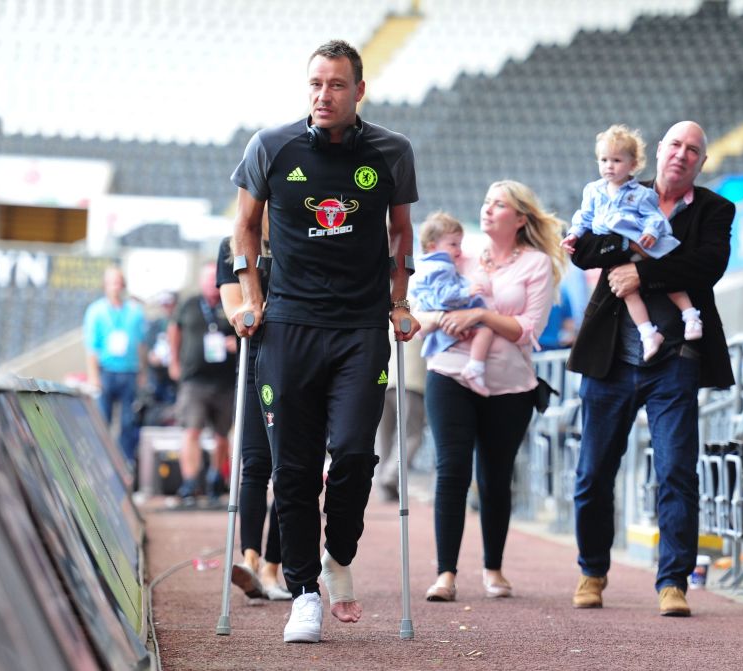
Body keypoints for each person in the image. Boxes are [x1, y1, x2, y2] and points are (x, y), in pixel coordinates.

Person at [228, 39, 419, 644]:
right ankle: (305, 592)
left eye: (336, 84)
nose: (323, 94)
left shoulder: (391, 151)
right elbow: (244, 225)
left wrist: (400, 300)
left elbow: (401, 232)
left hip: (361, 328)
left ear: (358, 91)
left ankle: (339, 554)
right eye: (315, 83)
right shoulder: (270, 146)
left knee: (356, 452)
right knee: (293, 467)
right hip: (287, 327)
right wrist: (251, 296)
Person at [566, 121, 735, 617]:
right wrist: (631, 250)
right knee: (593, 471)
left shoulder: (714, 209)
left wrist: (640, 268)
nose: (682, 155)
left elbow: (708, 265)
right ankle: (592, 571)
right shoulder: (616, 188)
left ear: (701, 162)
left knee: (677, 472)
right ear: (659, 152)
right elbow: (588, 252)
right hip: (609, 358)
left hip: (676, 361)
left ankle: (673, 582)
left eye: (693, 150)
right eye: (676, 145)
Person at [416, 182, 565, 603]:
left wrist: (480, 313)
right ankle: (445, 573)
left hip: (510, 385)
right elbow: (417, 305)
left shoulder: (536, 265)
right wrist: (445, 317)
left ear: (520, 219)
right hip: (448, 375)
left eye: (499, 205)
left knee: (496, 477)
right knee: (452, 470)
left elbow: (528, 329)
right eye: (486, 202)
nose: (487, 210)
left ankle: (493, 567)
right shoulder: (457, 253)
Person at [561, 124, 702, 362]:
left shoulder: (640, 193)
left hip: (642, 243)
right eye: (603, 160)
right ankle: (648, 333)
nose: (609, 166)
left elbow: (653, 217)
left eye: (616, 160)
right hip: (617, 252)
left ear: (632, 164)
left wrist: (651, 232)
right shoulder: (594, 191)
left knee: (664, 275)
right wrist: (574, 234)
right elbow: (583, 218)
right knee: (627, 290)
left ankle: (690, 314)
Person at [216, 231, 291, 602]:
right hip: (254, 361)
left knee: (290, 468)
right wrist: (248, 311)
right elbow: (233, 306)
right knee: (256, 462)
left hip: (296, 362)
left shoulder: (293, 235)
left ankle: (273, 567)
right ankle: (249, 559)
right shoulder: (231, 246)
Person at [167, 262, 237, 506]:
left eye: (214, 278)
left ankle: (216, 478)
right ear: (200, 281)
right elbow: (173, 331)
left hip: (225, 382)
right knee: (191, 431)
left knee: (221, 436)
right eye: (207, 278)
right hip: (194, 382)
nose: (211, 283)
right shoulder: (189, 304)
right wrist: (173, 362)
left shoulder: (231, 303)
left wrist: (235, 344)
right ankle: (190, 482)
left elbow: (245, 332)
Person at [412, 211, 495, 396]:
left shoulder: (430, 265)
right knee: (485, 330)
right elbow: (443, 296)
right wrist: (468, 291)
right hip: (442, 324)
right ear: (433, 246)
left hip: (441, 321)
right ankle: (475, 368)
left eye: (459, 244)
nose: (459, 250)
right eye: (453, 244)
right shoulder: (441, 266)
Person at [83, 265, 146, 468]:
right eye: (111, 282)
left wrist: (142, 372)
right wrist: (93, 376)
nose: (115, 286)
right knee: (103, 421)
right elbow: (91, 347)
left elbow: (141, 344)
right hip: (106, 372)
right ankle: (100, 463)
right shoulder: (96, 311)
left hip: (129, 371)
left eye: (118, 282)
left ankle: (124, 464)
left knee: (128, 422)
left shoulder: (135, 312)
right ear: (105, 285)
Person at [373, 324, 427, 502]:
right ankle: (390, 475)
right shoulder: (418, 312)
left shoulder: (388, 316)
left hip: (385, 381)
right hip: (410, 382)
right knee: (412, 435)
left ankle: (382, 483)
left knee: (383, 438)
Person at [140, 290, 179, 426]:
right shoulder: (155, 325)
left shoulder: (180, 323)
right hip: (157, 377)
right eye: (164, 304)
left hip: (175, 379)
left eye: (169, 304)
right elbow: (148, 351)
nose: (167, 307)